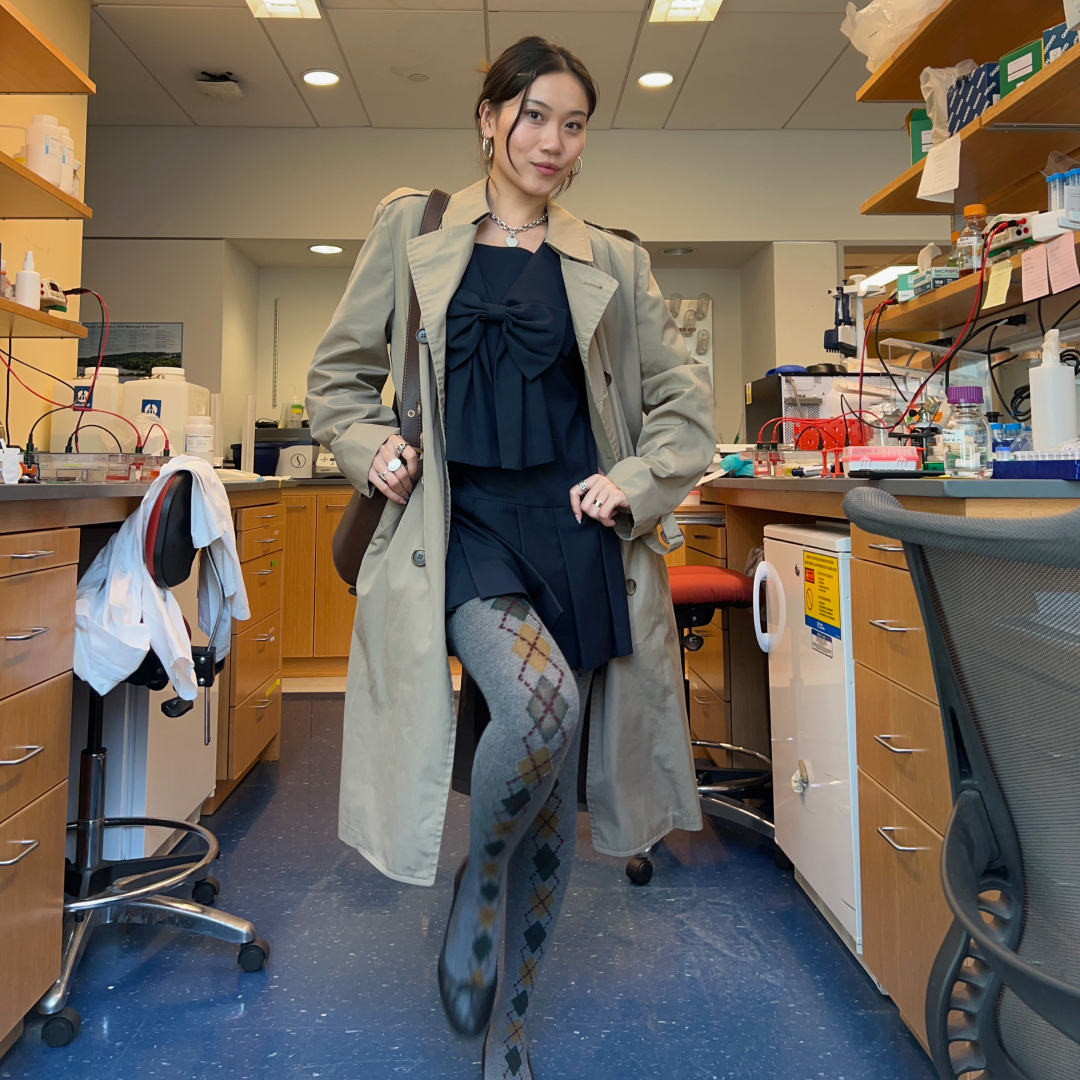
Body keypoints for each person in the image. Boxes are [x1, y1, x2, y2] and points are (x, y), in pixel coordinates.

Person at [306, 35, 715, 1080]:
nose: (553, 142)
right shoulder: (414, 228)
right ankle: (478, 880)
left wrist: (634, 482)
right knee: (541, 710)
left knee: (553, 789)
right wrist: (372, 446)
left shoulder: (613, 259)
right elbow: (337, 380)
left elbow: (683, 411)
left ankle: (511, 1038)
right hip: (464, 526)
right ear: (488, 117)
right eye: (534, 115)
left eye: (574, 124)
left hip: (576, 532)